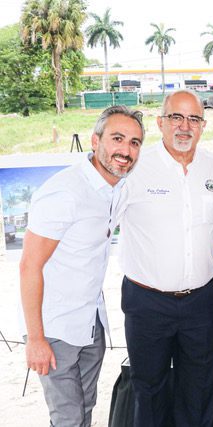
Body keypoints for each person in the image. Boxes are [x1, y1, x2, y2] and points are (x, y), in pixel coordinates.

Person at [19, 105, 144, 426]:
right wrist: (35, 339)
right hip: (55, 330)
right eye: (118, 139)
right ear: (95, 140)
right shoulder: (65, 191)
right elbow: (29, 266)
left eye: (134, 143)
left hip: (92, 324)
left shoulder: (118, 187)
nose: (126, 150)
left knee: (84, 409)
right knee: (68, 418)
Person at [118, 89, 213, 426]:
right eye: (176, 117)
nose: (184, 126)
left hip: (201, 305)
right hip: (147, 305)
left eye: (193, 118)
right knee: (149, 394)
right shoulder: (134, 169)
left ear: (203, 125)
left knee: (198, 393)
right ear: (160, 122)